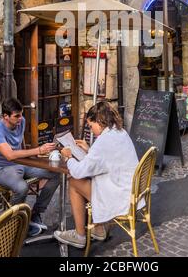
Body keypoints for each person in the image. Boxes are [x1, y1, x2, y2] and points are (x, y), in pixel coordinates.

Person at [54, 101, 139, 249]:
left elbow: (79, 171)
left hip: (119, 195)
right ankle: (99, 229)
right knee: (87, 179)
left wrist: (68, 157)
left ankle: (80, 235)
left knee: (74, 180)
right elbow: (105, 159)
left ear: (99, 121)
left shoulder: (104, 142)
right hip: (131, 190)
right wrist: (88, 150)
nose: (91, 130)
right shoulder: (120, 132)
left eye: (91, 126)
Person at [0, 97, 60, 236]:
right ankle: (13, 223)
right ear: (5, 116)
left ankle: (36, 213)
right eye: (17, 116)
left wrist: (34, 157)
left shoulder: (21, 122)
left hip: (21, 163)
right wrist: (38, 150)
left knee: (56, 174)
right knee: (22, 187)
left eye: (21, 114)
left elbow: (20, 145)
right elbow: (9, 155)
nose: (21, 118)